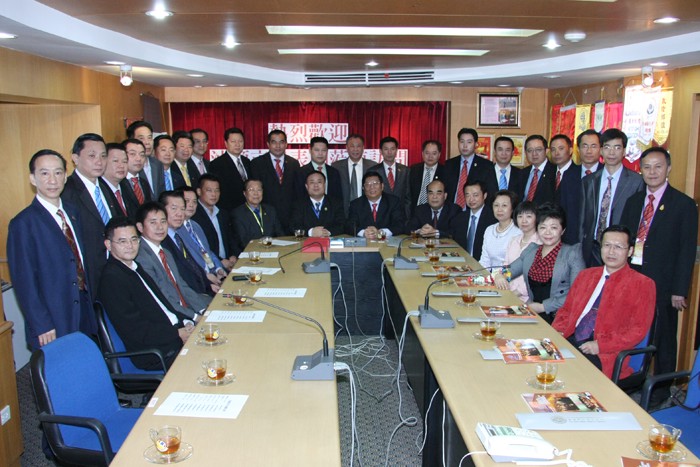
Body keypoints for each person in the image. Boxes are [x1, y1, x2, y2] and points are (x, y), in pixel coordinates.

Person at [620, 146, 698, 401]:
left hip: (664, 282)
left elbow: (686, 250)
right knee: (632, 330)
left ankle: (662, 390)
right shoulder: (633, 202)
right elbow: (624, 241)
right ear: (640, 170)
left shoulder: (683, 204)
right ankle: (631, 380)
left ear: (668, 169)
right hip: (633, 277)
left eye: (658, 166)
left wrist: (679, 290)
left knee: (663, 337)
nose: (652, 172)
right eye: (647, 167)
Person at [8, 149, 96, 350]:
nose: (52, 180)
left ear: (65, 176)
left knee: (85, 363)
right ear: (33, 179)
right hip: (52, 318)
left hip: (82, 309)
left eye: (58, 172)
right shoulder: (23, 223)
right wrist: (41, 324)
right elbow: (24, 281)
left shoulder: (72, 212)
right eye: (44, 173)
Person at [552, 225, 656, 380]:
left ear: (630, 251)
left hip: (605, 352)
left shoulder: (642, 284)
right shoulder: (586, 276)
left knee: (568, 374)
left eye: (618, 247)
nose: (611, 252)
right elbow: (566, 310)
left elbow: (637, 330)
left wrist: (600, 345)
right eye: (607, 245)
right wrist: (558, 331)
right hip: (570, 338)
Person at [98, 217, 194, 370]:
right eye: (122, 241)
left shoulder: (134, 266)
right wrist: (176, 333)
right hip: (157, 352)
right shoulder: (112, 279)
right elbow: (136, 330)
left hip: (173, 334)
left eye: (134, 239)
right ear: (108, 245)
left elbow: (163, 305)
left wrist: (185, 322)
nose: (130, 246)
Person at [495, 203, 584, 323]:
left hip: (559, 317)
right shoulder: (531, 251)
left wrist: (543, 307)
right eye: (543, 227)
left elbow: (578, 293)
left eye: (553, 228)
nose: (547, 232)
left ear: (562, 230)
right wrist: (500, 276)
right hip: (532, 314)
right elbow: (509, 270)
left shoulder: (572, 253)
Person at [61, 133, 117, 299]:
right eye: (92, 156)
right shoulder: (67, 192)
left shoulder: (104, 187)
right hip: (90, 275)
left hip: (113, 269)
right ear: (75, 158)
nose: (99, 161)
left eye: (103, 156)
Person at [135, 200, 210, 320]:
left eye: (163, 221)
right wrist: (195, 317)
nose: (160, 227)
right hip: (170, 317)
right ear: (140, 227)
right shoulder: (141, 257)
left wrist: (203, 309)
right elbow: (162, 298)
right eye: (153, 222)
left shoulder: (166, 253)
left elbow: (182, 286)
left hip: (186, 309)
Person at [580, 129, 644, 267]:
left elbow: (638, 220)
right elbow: (582, 218)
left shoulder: (636, 181)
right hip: (592, 248)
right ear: (601, 151)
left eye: (617, 147)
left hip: (619, 249)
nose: (612, 152)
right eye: (607, 147)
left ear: (624, 151)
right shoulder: (589, 181)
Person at [249, 129, 300, 233]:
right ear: (268, 144)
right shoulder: (257, 163)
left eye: (281, 142)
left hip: (290, 217)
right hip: (266, 217)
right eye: (274, 142)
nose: (278, 146)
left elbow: (297, 191)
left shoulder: (294, 163)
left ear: (286, 144)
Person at [177, 186, 228, 276]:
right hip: (200, 277)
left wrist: (218, 268)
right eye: (187, 201)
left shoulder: (196, 226)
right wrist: (206, 275)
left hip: (214, 273)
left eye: (194, 202)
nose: (191, 205)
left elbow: (207, 251)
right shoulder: (176, 230)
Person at [192, 174, 237, 269]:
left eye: (217, 190)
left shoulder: (222, 213)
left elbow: (231, 238)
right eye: (209, 190)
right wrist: (219, 261)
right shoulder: (194, 216)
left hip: (228, 263)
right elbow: (200, 247)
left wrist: (233, 255)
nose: (214, 194)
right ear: (199, 191)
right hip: (211, 267)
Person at [347, 171, 406, 239]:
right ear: (363, 188)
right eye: (368, 184)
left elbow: (400, 224)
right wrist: (363, 233)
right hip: (365, 242)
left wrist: (382, 232)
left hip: (387, 242)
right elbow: (349, 226)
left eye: (375, 183)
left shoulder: (393, 201)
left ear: (382, 186)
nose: (372, 187)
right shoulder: (356, 204)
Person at [231, 179, 284, 255]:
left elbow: (280, 234)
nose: (256, 193)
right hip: (251, 255)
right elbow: (242, 242)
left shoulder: (270, 210)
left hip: (273, 252)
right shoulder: (238, 214)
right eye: (251, 190)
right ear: (245, 193)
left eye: (259, 190)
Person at [443, 128, 492, 209]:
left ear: (476, 144)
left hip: (474, 210)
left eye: (469, 142)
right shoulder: (449, 164)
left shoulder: (486, 166)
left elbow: (489, 193)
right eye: (462, 142)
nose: (465, 146)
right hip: (451, 211)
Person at [504, 201, 541, 303]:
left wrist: (513, 294)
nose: (524, 220)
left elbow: (534, 277)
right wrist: (502, 280)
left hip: (528, 298)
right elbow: (506, 266)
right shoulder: (513, 240)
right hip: (508, 291)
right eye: (520, 216)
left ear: (537, 218)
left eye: (528, 216)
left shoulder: (540, 243)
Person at [290, 171, 346, 237]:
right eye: (312, 182)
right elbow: (294, 226)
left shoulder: (336, 203)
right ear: (306, 186)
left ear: (324, 185)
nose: (316, 185)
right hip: (305, 242)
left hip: (329, 241)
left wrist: (328, 232)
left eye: (319, 182)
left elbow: (342, 224)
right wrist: (310, 232)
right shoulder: (298, 204)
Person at [208, 127, 251, 212]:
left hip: (248, 210)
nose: (237, 144)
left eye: (240, 141)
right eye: (233, 141)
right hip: (229, 211)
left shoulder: (247, 162)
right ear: (226, 143)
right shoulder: (217, 164)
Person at [451, 180, 496, 261]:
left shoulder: (493, 218)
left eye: (475, 195)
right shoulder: (459, 218)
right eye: (467, 195)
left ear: (484, 195)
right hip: (462, 263)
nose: (471, 199)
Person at [332, 133, 374, 215]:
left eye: (358, 146)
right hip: (343, 212)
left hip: (367, 212)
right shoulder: (336, 166)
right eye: (352, 146)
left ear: (363, 148)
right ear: (347, 148)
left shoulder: (372, 166)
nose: (355, 149)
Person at [479, 190, 522, 268]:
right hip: (490, 274)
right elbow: (484, 261)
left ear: (512, 208)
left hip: (510, 274)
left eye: (504, 205)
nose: (499, 209)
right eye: (496, 205)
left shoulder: (518, 231)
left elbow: (516, 265)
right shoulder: (489, 230)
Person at [371, 136, 410, 216]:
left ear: (396, 150)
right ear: (381, 151)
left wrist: (407, 217)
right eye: (386, 149)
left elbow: (408, 197)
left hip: (400, 216)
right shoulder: (373, 171)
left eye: (392, 149)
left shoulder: (405, 170)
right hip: (380, 215)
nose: (389, 152)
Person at [296, 136, 342, 201]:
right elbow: (298, 196)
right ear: (310, 150)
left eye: (323, 150)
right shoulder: (300, 172)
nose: (320, 153)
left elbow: (338, 196)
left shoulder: (334, 172)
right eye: (317, 150)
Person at [126, 120, 165, 198]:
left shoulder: (157, 164)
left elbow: (161, 193)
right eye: (141, 138)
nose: (147, 142)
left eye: (149, 138)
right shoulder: (128, 166)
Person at [408, 139, 445, 215]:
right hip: (414, 213)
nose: (430, 156)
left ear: (439, 154)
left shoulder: (445, 171)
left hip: (435, 213)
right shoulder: (413, 169)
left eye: (434, 153)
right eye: (427, 153)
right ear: (422, 153)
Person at [520, 134, 556, 205]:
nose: (534, 154)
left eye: (538, 150)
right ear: (525, 153)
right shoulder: (522, 173)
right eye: (530, 150)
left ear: (546, 151)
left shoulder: (555, 172)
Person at [101, 142, 132, 218]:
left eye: (124, 161)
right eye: (115, 161)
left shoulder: (126, 186)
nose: (121, 166)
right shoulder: (99, 190)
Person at [122, 138, 152, 208]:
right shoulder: (119, 182)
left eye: (142, 154)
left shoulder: (144, 183)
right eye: (132, 154)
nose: (138, 159)